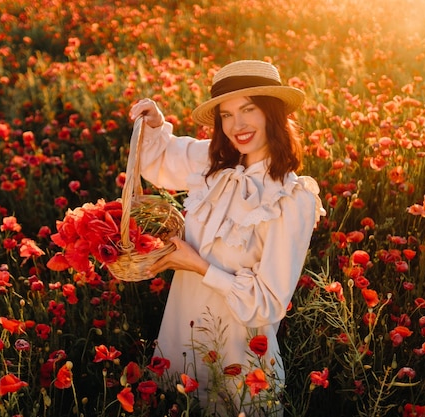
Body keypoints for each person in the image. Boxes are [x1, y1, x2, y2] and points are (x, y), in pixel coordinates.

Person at [129, 60, 325, 416]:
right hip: (181, 339)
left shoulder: (292, 199)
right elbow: (161, 160)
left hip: (238, 361)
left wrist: (200, 266)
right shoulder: (214, 164)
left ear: (272, 113)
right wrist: (157, 123)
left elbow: (268, 304)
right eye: (226, 114)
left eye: (249, 109)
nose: (238, 125)